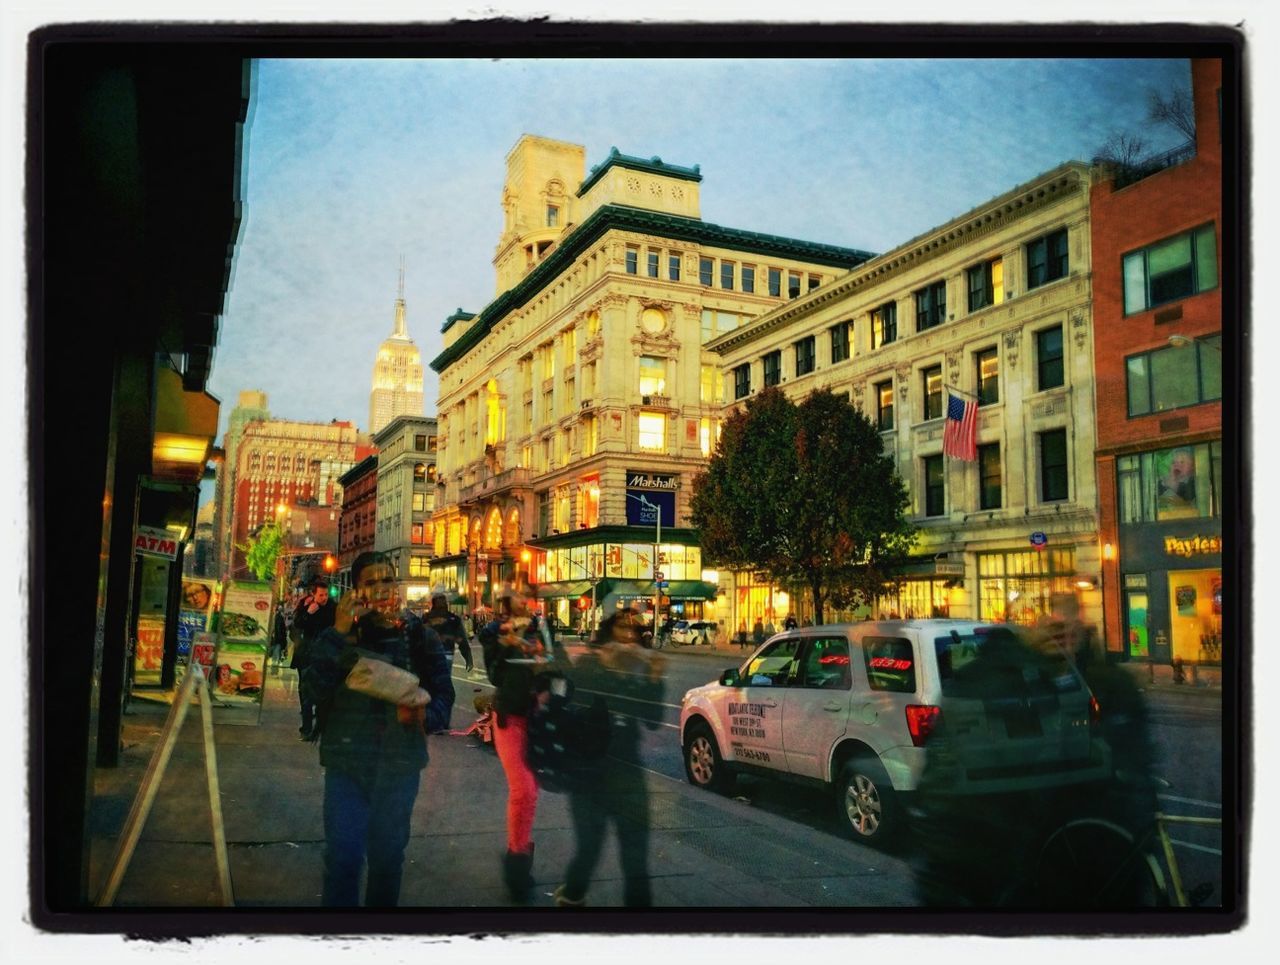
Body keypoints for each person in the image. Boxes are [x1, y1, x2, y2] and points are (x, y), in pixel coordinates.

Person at [302, 551, 454, 907]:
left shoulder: (420, 637)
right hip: (346, 766)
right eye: (370, 582)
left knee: (387, 860)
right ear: (355, 591)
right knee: (344, 860)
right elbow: (312, 689)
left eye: (387, 579)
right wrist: (339, 633)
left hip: (399, 768)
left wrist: (424, 716)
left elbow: (444, 697)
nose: (382, 588)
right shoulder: (340, 635)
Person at [554, 618, 665, 907]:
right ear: (606, 637)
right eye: (622, 631)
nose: (629, 638)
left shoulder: (635, 674)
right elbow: (570, 708)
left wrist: (654, 680)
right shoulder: (589, 667)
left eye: (634, 634)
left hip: (628, 772)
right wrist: (606, 669)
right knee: (589, 847)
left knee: (635, 852)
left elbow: (652, 721)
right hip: (589, 774)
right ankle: (573, 895)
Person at [479, 585, 549, 902]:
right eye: (517, 597)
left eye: (526, 596)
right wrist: (510, 646)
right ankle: (517, 863)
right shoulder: (494, 633)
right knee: (524, 789)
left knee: (530, 792)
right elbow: (494, 676)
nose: (523, 601)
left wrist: (541, 661)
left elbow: (554, 666)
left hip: (537, 719)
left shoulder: (539, 629)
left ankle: (517, 854)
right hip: (509, 718)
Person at [291, 573, 336, 740]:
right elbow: (297, 625)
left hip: (325, 656)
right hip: (307, 655)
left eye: (326, 594)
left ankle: (321, 725)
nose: (324, 598)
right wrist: (308, 613)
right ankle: (307, 728)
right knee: (305, 692)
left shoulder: (333, 608)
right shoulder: (306, 606)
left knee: (324, 692)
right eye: (321, 595)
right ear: (313, 594)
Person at [423, 588, 474, 678]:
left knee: (431, 682)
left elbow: (419, 636)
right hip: (445, 653)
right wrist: (468, 658)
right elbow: (461, 640)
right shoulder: (453, 619)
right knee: (444, 681)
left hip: (430, 654)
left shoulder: (427, 618)